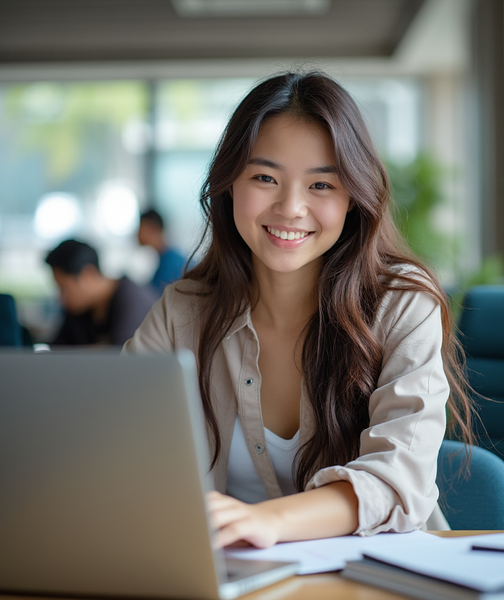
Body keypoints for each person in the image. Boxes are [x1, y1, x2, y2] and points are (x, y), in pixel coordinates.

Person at [124, 71, 475, 549]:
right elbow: (117, 457)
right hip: (224, 580)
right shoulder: (183, 312)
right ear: (230, 186)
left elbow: (398, 480)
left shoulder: (402, 305)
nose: (290, 207)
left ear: (354, 197)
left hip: (378, 577)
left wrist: (268, 521)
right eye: (265, 178)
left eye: (322, 186)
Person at [46, 239, 157, 347]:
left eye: (64, 289)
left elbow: (121, 357)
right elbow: (58, 351)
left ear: (89, 275)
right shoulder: (78, 309)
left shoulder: (134, 301)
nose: (62, 298)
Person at [137, 209, 190, 296]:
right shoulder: (166, 260)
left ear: (151, 228)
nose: (137, 234)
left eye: (140, 227)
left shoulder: (173, 264)